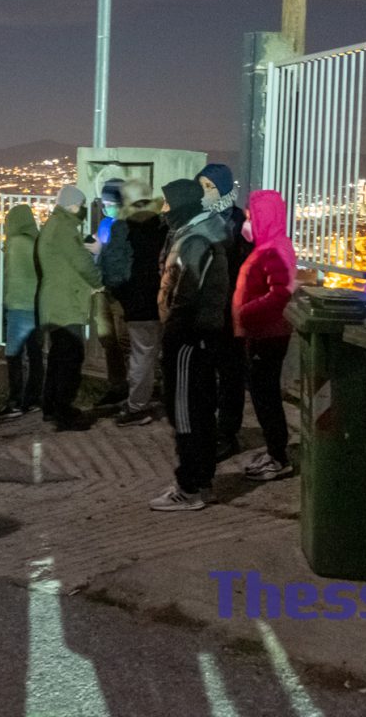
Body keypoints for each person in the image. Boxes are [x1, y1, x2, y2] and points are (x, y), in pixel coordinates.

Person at [148, 180, 230, 511]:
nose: (163, 212)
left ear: (180, 206)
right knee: (199, 410)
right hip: (199, 335)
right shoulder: (200, 232)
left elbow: (186, 294)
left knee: (184, 411)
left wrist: (173, 334)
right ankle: (201, 481)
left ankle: (189, 487)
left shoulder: (195, 240)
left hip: (188, 337)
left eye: (167, 205)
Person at [231, 190, 295, 480]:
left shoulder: (273, 249)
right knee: (261, 395)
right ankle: (274, 450)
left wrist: (245, 312)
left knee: (265, 396)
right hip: (262, 333)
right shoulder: (269, 245)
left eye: (251, 215)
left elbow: (280, 293)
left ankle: (278, 457)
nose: (247, 220)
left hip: (267, 335)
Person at [35, 184, 102, 432]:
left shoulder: (52, 225)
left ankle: (51, 406)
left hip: (54, 301)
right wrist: (99, 281)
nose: (83, 210)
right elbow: (81, 262)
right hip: (65, 302)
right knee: (71, 357)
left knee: (57, 356)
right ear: (73, 205)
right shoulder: (65, 229)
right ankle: (64, 411)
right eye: (82, 206)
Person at [99, 181, 166, 427]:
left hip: (138, 302)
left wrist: (121, 295)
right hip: (164, 300)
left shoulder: (122, 229)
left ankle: (137, 407)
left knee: (141, 355)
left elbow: (111, 270)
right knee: (161, 354)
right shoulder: (163, 227)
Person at [198, 164, 252, 460]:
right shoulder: (200, 218)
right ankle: (210, 427)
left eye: (209, 186)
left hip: (229, 309)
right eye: (201, 186)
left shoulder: (238, 223)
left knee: (230, 374)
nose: (204, 192)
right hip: (205, 308)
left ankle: (227, 433)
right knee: (205, 373)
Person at [0, 204, 43, 417]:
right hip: (37, 306)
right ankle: (33, 399)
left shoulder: (15, 243)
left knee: (13, 354)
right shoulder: (38, 241)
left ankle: (14, 401)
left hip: (18, 306)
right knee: (35, 355)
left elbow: (11, 276)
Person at [91, 178, 131, 408]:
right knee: (108, 339)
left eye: (110, 202)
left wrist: (101, 249)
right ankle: (117, 385)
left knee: (125, 340)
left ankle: (131, 389)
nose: (106, 207)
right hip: (103, 288)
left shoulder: (128, 227)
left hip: (120, 291)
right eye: (104, 203)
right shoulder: (106, 224)